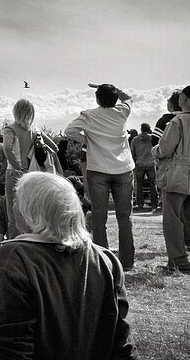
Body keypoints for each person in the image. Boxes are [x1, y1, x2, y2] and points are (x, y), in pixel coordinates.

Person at [0, 172, 132, 360]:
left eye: (17, 201)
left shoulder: (14, 259)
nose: (13, 207)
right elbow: (121, 345)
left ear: (29, 212)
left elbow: (10, 351)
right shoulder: (107, 260)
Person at [64, 83, 136, 270]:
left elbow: (69, 131)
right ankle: (127, 261)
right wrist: (115, 89)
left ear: (97, 99)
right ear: (114, 99)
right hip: (123, 168)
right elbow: (128, 98)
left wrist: (87, 138)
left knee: (99, 216)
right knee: (124, 217)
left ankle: (103, 261)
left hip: (98, 168)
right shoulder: (122, 112)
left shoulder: (88, 116)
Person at [152, 85, 190, 273]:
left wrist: (155, 151)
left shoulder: (178, 122)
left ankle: (179, 262)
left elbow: (164, 149)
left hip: (176, 175)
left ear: (185, 99)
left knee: (172, 220)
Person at [2, 99, 58, 238]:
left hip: (15, 174)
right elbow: (54, 148)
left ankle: (14, 243)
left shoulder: (11, 129)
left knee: (14, 213)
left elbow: (7, 148)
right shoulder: (36, 130)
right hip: (35, 176)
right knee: (33, 212)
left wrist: (17, 167)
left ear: (16, 112)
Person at [129, 123, 158, 211]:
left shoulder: (135, 139)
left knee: (139, 185)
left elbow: (132, 152)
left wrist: (135, 162)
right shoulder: (152, 138)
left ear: (141, 129)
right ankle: (154, 205)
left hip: (139, 164)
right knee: (153, 185)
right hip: (151, 163)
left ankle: (140, 204)